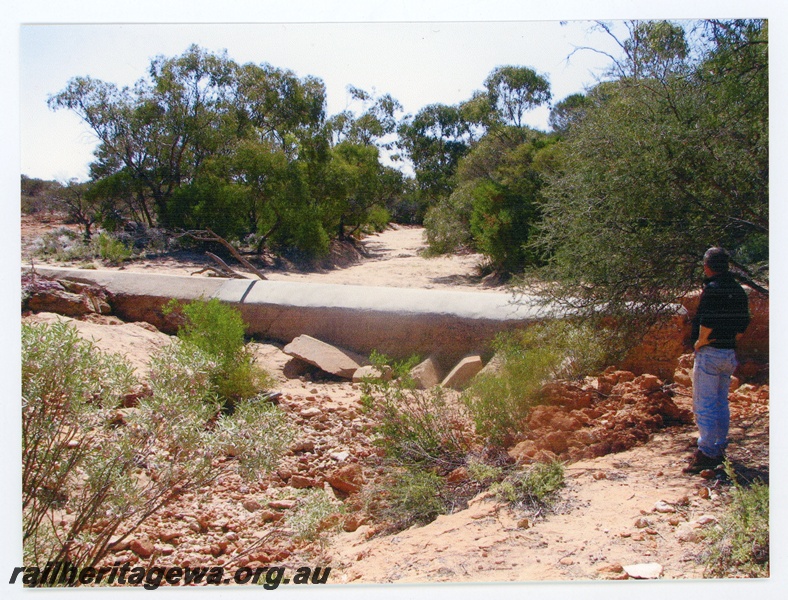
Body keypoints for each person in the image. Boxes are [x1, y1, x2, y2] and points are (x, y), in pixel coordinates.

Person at [684, 247, 750, 474]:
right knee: (721, 402)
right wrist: (729, 339)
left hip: (710, 352)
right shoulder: (738, 290)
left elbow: (707, 323)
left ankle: (707, 453)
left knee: (704, 404)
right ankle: (718, 446)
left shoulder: (712, 289)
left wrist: (700, 342)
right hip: (728, 352)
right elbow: (743, 325)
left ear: (707, 266)